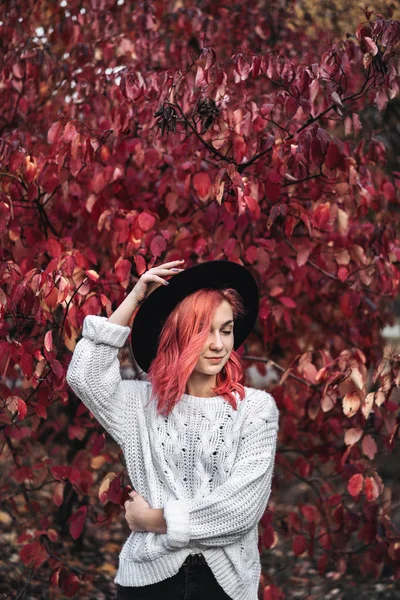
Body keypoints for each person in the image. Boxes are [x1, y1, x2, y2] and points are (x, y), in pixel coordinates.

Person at [66, 259, 279, 600]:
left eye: (225, 330)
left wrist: (154, 520)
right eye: (203, 331)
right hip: (149, 580)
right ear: (178, 336)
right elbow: (85, 376)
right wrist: (135, 299)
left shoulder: (255, 410)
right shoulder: (142, 404)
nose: (218, 344)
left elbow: (240, 511)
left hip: (224, 585)